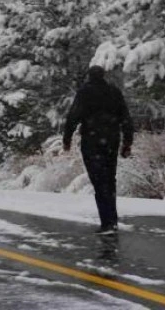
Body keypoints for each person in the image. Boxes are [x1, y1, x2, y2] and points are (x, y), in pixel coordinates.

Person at [63, 65, 134, 234]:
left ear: (89, 76)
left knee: (98, 180)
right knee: (110, 180)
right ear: (103, 76)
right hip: (112, 140)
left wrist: (67, 139)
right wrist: (127, 142)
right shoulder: (114, 92)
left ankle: (107, 222)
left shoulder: (84, 93)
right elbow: (126, 117)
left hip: (92, 141)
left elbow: (73, 116)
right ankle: (112, 220)